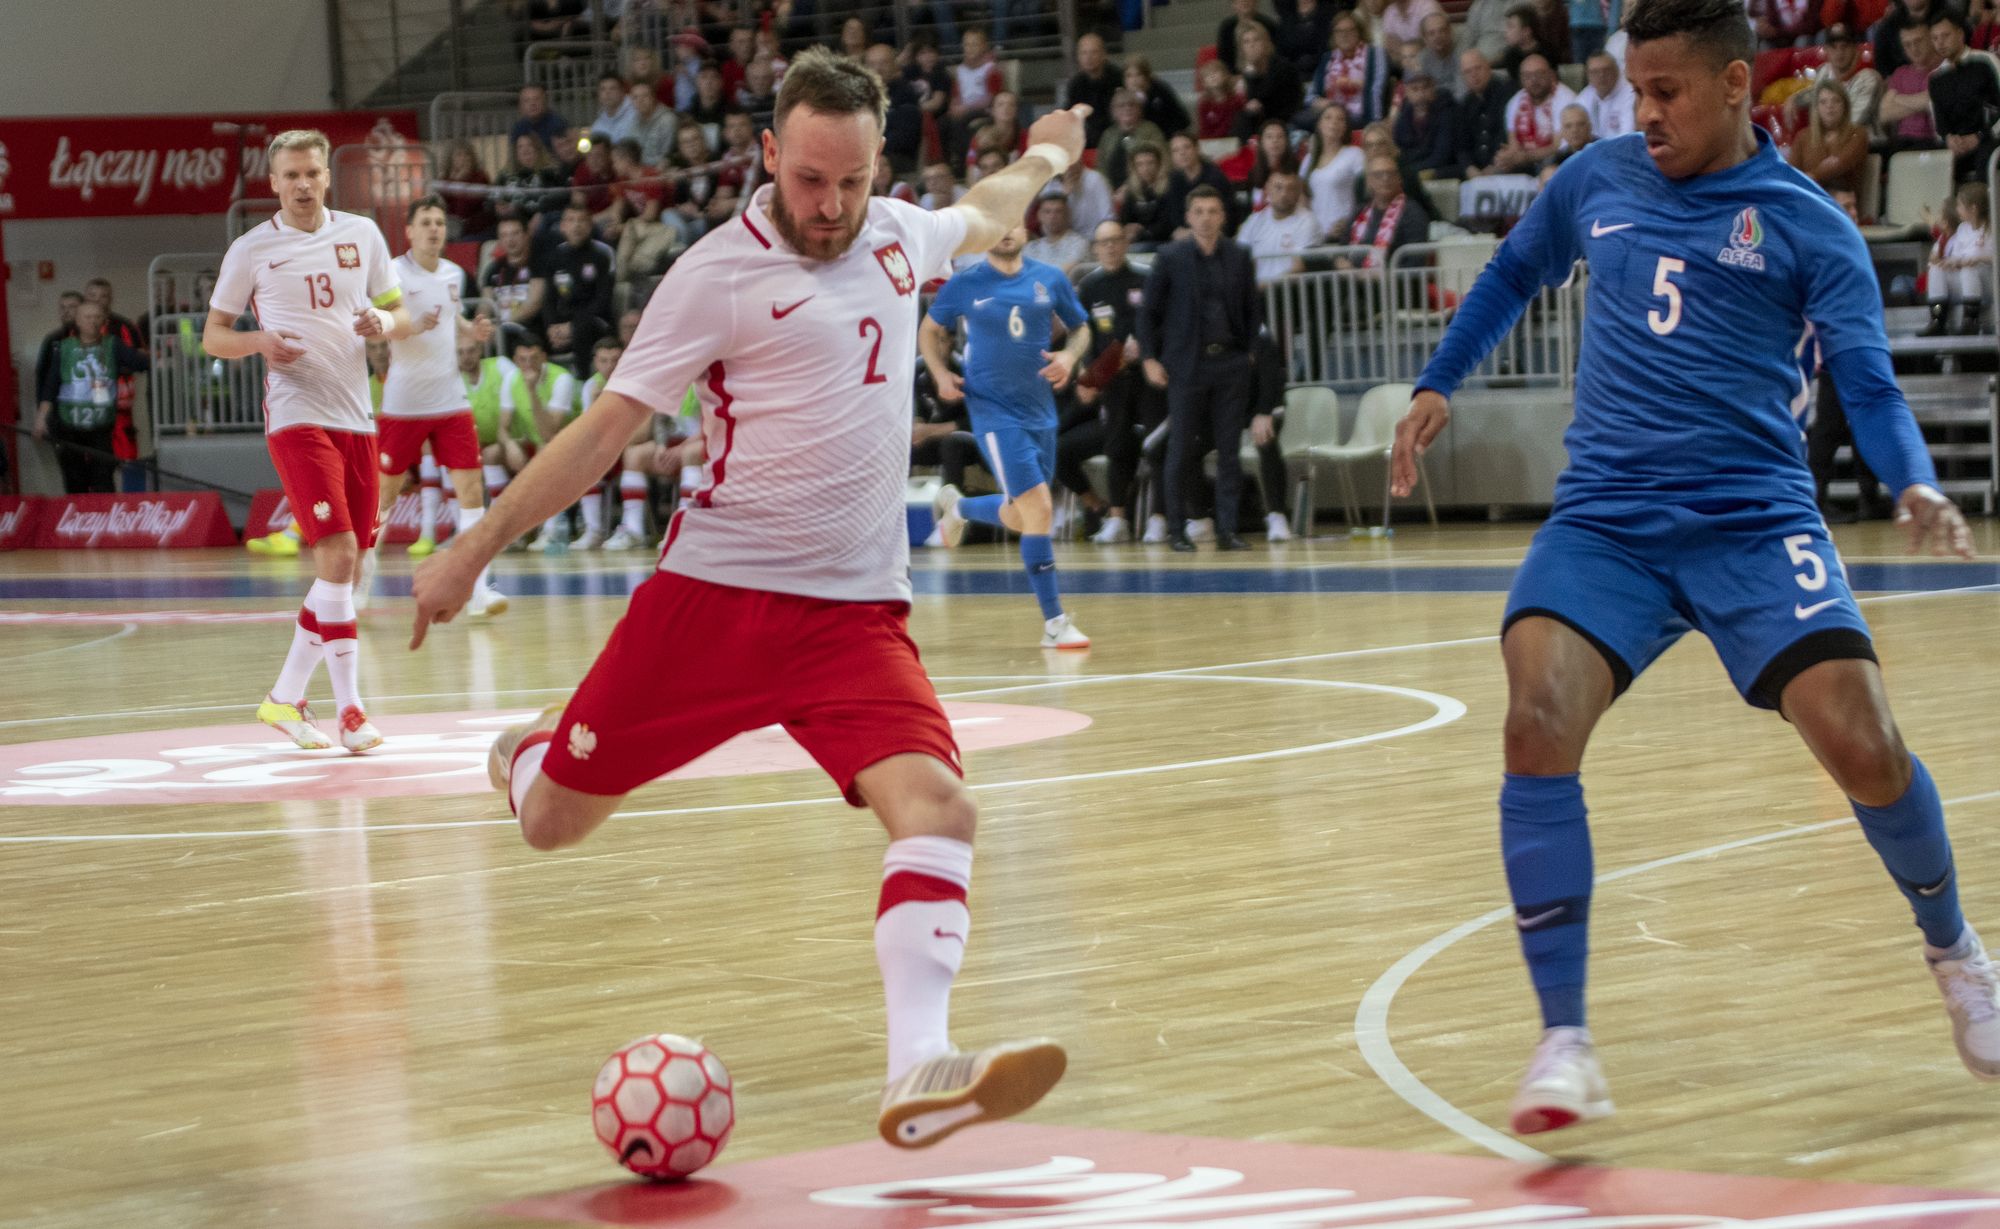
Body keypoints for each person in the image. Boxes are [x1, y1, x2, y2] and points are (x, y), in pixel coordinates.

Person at [409, 48, 1086, 1149]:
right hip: (712, 600)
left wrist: (1050, 149)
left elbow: (991, 201)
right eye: (810, 179)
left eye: (853, 183)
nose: (830, 207)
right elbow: (600, 435)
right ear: (770, 153)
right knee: (550, 824)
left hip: (854, 615)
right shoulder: (715, 274)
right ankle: (525, 755)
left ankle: (917, 1068)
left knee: (942, 807)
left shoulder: (900, 233)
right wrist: (470, 548)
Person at [1388, 0, 1988, 1137]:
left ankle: (1956, 951)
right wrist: (1436, 382)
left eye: (1664, 90)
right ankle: (1561, 1037)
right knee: (1532, 718)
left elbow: (1864, 382)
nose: (1641, 110)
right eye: (1630, 87)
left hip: (1754, 520)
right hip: (1607, 519)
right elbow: (1511, 273)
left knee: (1864, 748)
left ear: (1731, 86)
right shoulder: (1594, 180)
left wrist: (1912, 477)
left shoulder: (1807, 224)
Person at [204, 129, 409, 755]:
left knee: (346, 563)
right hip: (296, 414)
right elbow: (214, 336)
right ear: (273, 182)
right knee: (341, 553)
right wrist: (260, 342)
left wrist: (385, 323)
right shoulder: (251, 249)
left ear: (327, 177)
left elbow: (397, 313)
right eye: (290, 175)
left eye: (312, 173)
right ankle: (349, 711)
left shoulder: (362, 234)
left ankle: (285, 698)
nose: (301, 184)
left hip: (356, 417)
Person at [923, 225, 1094, 647]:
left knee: (1023, 515)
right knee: (1039, 508)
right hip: (992, 411)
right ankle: (1055, 624)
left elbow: (1082, 328)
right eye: (997, 223)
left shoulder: (1049, 277)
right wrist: (941, 373)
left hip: (1041, 411)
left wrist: (1070, 356)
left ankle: (958, 506)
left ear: (1026, 229)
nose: (1006, 230)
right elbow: (929, 329)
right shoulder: (964, 283)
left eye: (1013, 221)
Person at [363, 195, 505, 616]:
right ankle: (360, 587)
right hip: (404, 402)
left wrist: (471, 332)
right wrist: (406, 326)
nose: (434, 229)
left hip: (450, 398)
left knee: (472, 493)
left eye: (440, 223)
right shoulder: (392, 271)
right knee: (383, 498)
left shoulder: (455, 274)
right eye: (425, 222)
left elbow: (453, 322)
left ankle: (480, 592)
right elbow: (377, 327)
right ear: (409, 231)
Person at [1137, 186, 1262, 552]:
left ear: (1223, 217)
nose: (1206, 218)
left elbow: (1253, 308)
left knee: (1228, 450)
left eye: (1213, 211)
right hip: (1186, 365)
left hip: (1229, 363)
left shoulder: (1239, 256)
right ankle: (1176, 528)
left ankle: (1228, 529)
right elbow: (1147, 312)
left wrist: (1250, 351)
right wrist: (1148, 357)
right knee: (1181, 448)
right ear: (1189, 217)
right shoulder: (1171, 256)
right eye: (1200, 211)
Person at [1075, 221, 1163, 543]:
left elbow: (1160, 323)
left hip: (1149, 377)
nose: (1110, 247)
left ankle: (1158, 517)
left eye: (1115, 240)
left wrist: (1146, 348)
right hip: (1113, 380)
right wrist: (1091, 377)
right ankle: (1117, 518)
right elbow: (1085, 339)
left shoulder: (1145, 278)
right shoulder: (1089, 287)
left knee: (1156, 446)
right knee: (1115, 446)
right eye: (1103, 242)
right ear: (1095, 248)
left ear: (1125, 243)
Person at [33, 299, 150, 494]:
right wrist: (41, 419)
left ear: (104, 321)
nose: (93, 322)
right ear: (77, 321)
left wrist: (156, 359)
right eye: (88, 317)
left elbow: (137, 362)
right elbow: (51, 385)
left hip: (101, 427)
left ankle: (103, 519)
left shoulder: (113, 345)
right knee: (74, 480)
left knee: (103, 478)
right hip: (69, 426)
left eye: (97, 317)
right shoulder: (64, 348)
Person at [1924, 13, 2000, 183]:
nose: (1940, 43)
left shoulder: (1985, 61)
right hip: (1958, 145)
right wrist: (1950, 139)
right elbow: (1940, 126)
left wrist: (1980, 137)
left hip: (1990, 138)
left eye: (1945, 36)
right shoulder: (1935, 78)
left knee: (1986, 158)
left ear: (1960, 34)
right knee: (1930, 163)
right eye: (1935, 38)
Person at [1923, 180, 1993, 333]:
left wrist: (1978, 259)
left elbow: (1994, 257)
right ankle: (1937, 318)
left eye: (1960, 205)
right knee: (1936, 270)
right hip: (1966, 284)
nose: (1957, 209)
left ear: (1973, 209)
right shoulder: (1963, 229)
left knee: (1969, 270)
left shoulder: (1991, 229)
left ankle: (1971, 319)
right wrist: (1949, 262)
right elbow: (1957, 257)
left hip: (1987, 282)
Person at [1493, 54, 1580, 172]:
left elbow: (1558, 146)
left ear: (1551, 75)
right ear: (1521, 80)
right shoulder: (1514, 102)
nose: (1534, 80)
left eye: (1539, 74)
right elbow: (1514, 144)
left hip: (1558, 161)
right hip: (1525, 162)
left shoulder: (1566, 99)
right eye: (1527, 76)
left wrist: (1525, 157)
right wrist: (1507, 157)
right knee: (1501, 167)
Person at [1784, 24, 1881, 130]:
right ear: (1826, 50)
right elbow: (1816, 93)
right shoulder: (1825, 71)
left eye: (1844, 46)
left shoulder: (1869, 78)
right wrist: (1794, 99)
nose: (1839, 53)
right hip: (1831, 140)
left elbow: (1854, 121)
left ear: (1855, 49)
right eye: (1834, 47)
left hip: (1866, 142)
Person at [1310, 10, 1396, 130]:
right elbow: (1311, 95)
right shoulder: (1327, 58)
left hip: (1360, 115)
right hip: (1330, 115)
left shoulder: (1375, 54)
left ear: (1359, 33)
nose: (1344, 35)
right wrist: (1319, 102)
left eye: (1350, 30)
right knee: (1298, 120)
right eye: (1339, 31)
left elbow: (1376, 90)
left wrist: (1375, 124)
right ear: (1333, 36)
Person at [1238, 168, 1323, 280]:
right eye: (1278, 187)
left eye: (1291, 189)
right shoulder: (1254, 220)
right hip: (1257, 291)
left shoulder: (1307, 221)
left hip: (1289, 291)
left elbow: (1298, 268)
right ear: (1268, 189)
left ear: (1298, 192)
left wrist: (1263, 288)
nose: (1284, 194)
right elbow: (1241, 260)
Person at [1787, 80, 1869, 193]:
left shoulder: (1859, 134)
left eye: (1836, 101)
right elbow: (1791, 174)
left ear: (1845, 106)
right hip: (1809, 198)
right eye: (1823, 102)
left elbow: (1841, 163)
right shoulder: (1802, 136)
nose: (1830, 106)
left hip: (1843, 202)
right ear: (1816, 108)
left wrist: (1811, 177)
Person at [1302, 104, 1367, 237]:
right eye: (1328, 118)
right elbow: (1302, 197)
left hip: (1342, 233)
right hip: (1313, 235)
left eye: (1340, 119)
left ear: (1345, 127)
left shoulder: (1355, 155)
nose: (1334, 123)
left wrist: (1351, 221)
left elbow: (1366, 194)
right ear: (1319, 124)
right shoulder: (1309, 159)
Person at [1877, 21, 1942, 149]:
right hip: (1902, 141)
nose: (1913, 48)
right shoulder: (1900, 73)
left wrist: (1896, 98)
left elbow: (1931, 100)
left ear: (1930, 39)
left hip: (1933, 140)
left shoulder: (1944, 68)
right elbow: (1884, 114)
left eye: (1918, 41)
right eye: (1907, 45)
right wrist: (1924, 103)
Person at [1396, 71, 1466, 176]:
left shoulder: (1447, 110)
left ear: (1433, 88)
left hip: (1444, 170)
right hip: (1414, 170)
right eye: (1415, 89)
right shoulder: (1405, 114)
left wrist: (1409, 171)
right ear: (1407, 92)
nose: (1421, 94)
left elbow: (1442, 156)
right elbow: (1402, 150)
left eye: (1425, 88)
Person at [1459, 49, 1517, 174]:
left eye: (1477, 68)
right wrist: (1470, 168)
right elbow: (1462, 144)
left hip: (1503, 165)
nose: (1474, 75)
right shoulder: (1465, 104)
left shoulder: (1507, 94)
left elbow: (1507, 135)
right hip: (1475, 170)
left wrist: (1493, 167)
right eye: (1468, 72)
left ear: (1488, 68)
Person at [1067, 33, 1122, 145]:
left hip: (1115, 133)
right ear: (1078, 57)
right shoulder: (1075, 84)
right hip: (1087, 135)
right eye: (1084, 53)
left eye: (1094, 52)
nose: (1088, 57)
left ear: (1104, 55)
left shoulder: (1118, 78)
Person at [1125, 55, 1193, 139]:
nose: (1134, 80)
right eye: (1129, 76)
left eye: (1138, 75)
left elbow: (1182, 120)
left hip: (1165, 138)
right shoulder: (1122, 96)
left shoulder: (1161, 90)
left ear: (1146, 76)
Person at [1579, 51, 1638, 139]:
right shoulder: (1587, 94)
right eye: (1595, 72)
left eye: (1606, 70)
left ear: (1617, 70)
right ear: (1588, 76)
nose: (1601, 75)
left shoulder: (1630, 93)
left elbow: (1626, 137)